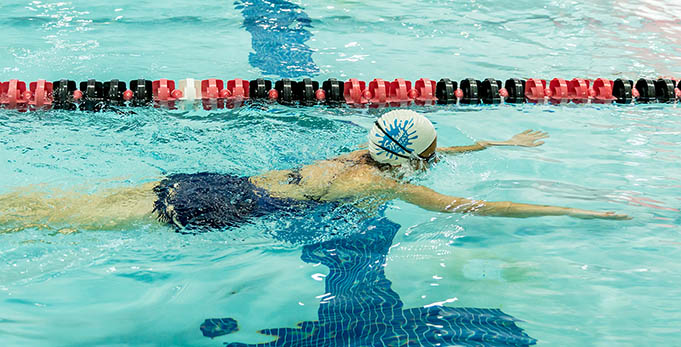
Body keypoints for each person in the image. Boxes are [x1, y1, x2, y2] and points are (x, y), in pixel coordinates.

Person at [0, 110, 629, 233]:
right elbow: (479, 210)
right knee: (68, 225)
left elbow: (428, 151)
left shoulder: (359, 156)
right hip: (228, 207)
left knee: (69, 199)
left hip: (216, 180)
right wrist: (575, 209)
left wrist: (500, 145)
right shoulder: (379, 181)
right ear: (411, 160)